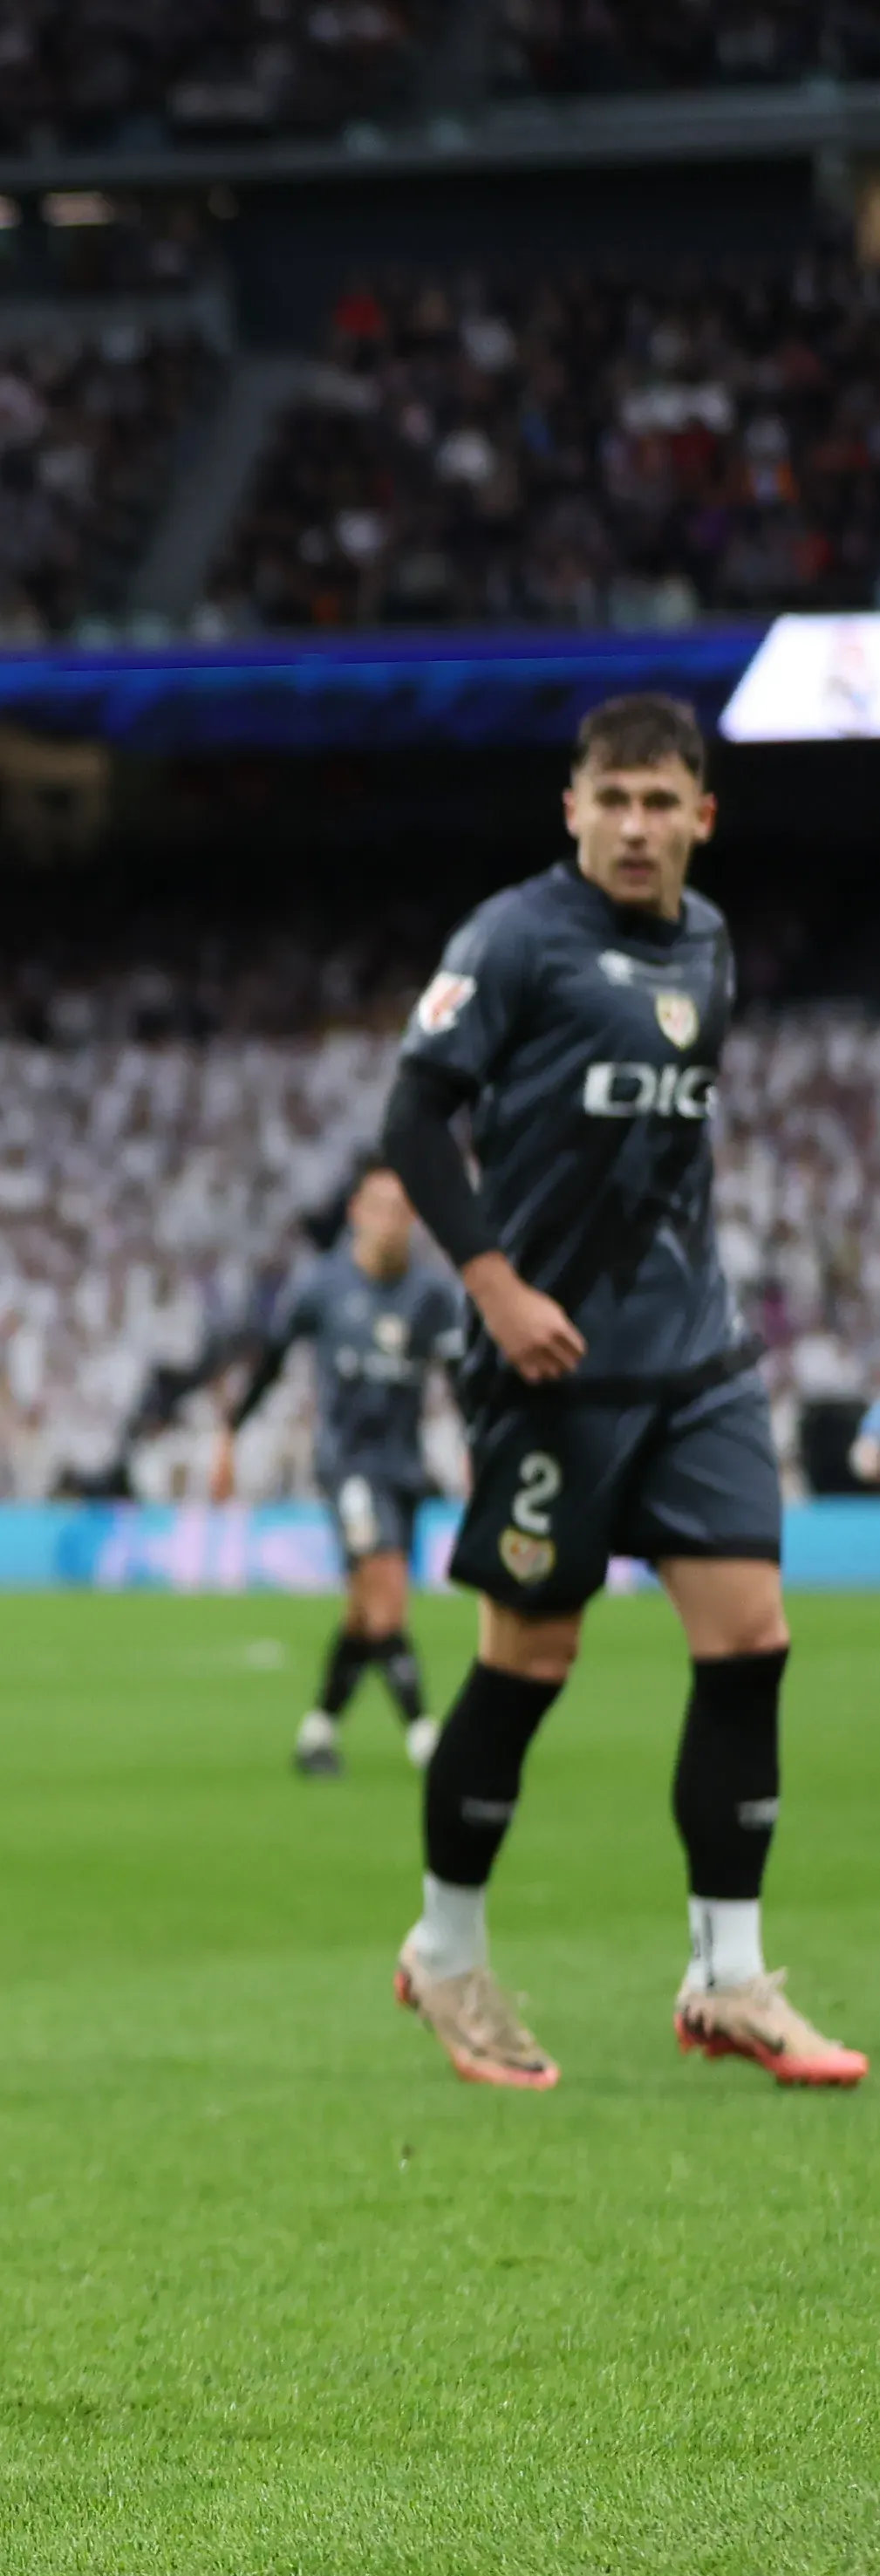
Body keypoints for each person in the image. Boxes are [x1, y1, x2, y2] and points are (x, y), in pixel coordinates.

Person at [376, 691, 858, 2092]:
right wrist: (496, 1288)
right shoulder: (513, 938)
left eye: (663, 803)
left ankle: (727, 1977)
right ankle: (446, 1951)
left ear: (703, 817)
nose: (637, 827)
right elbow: (413, 1113)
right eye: (613, 799)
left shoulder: (709, 944)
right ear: (572, 808)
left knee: (750, 1638)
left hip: (693, 1358)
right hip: (550, 1366)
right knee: (530, 1661)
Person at [210, 1162, 466, 1776]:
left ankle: (316, 1734)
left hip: (403, 1469)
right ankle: (427, 1738)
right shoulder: (321, 1287)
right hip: (345, 1466)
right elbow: (269, 1363)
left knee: (363, 1615)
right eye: (380, 1207)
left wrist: (475, 1451)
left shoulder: (430, 1296)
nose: (391, 1223)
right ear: (356, 1213)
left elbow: (459, 1384)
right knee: (385, 1604)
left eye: (402, 1211)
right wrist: (228, 1434)